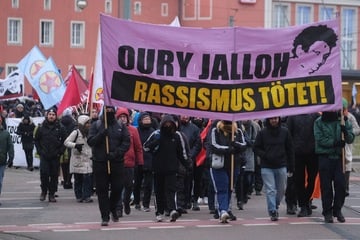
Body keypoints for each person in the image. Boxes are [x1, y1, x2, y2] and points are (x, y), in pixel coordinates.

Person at [87, 106, 130, 226]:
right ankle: (104, 215)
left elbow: (126, 142)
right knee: (102, 190)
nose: (109, 112)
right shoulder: (96, 125)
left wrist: (116, 153)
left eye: (111, 110)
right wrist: (101, 134)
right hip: (100, 162)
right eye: (107, 110)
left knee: (118, 188)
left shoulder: (121, 126)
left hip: (116, 162)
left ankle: (112, 208)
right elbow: (90, 141)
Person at [143, 114, 192, 222]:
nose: (168, 126)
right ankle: (159, 212)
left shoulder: (177, 136)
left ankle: (172, 210)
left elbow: (181, 153)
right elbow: (146, 147)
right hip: (158, 168)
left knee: (171, 190)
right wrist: (156, 142)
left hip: (172, 168)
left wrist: (188, 164)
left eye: (170, 124)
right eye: (166, 124)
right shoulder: (156, 134)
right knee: (159, 191)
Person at [314, 103, 355, 223]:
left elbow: (351, 138)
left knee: (341, 186)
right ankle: (327, 212)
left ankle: (337, 210)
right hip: (325, 158)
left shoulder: (342, 120)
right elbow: (320, 139)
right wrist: (335, 143)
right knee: (326, 187)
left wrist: (346, 132)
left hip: (338, 159)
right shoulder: (319, 122)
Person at [253, 116, 295, 221]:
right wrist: (265, 155)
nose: (274, 120)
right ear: (268, 120)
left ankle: (275, 204)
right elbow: (256, 147)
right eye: (271, 119)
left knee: (281, 189)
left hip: (281, 165)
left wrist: (291, 166)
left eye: (275, 118)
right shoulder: (262, 133)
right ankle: (272, 210)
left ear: (279, 119)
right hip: (267, 166)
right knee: (270, 189)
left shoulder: (285, 132)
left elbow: (290, 149)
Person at [208, 120, 247, 223]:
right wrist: (229, 149)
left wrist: (236, 145)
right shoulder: (215, 130)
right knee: (222, 188)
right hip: (220, 164)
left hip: (234, 164)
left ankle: (226, 209)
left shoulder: (238, 131)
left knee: (230, 188)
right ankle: (223, 210)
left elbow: (244, 145)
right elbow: (214, 145)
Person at [286, 113, 320, 217]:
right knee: (298, 181)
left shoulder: (315, 116)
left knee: (312, 180)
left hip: (313, 153)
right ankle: (303, 205)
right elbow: (289, 135)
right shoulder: (292, 116)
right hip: (297, 154)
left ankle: (306, 201)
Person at [115, 107, 144, 217]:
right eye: (120, 117)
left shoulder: (133, 130)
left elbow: (138, 147)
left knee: (128, 186)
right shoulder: (113, 130)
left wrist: (140, 161)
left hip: (130, 163)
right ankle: (119, 207)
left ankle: (126, 202)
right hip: (117, 162)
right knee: (117, 186)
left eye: (124, 117)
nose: (122, 119)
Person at [34, 108, 67, 202]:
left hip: (55, 156)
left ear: (56, 116)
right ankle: (43, 192)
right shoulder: (41, 127)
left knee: (53, 176)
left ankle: (52, 194)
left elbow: (65, 141)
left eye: (53, 114)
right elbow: (36, 140)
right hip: (44, 156)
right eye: (50, 114)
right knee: (44, 174)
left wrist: (60, 152)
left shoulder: (60, 127)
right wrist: (40, 151)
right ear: (47, 116)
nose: (51, 116)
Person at [64, 114, 93, 203]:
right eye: (87, 123)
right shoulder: (76, 132)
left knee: (87, 179)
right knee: (78, 179)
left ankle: (87, 195)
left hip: (88, 159)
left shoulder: (90, 132)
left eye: (89, 123)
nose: (89, 125)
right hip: (78, 159)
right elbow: (66, 142)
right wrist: (75, 145)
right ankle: (79, 196)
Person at [133, 112, 156, 212]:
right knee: (137, 183)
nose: (147, 121)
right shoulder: (136, 131)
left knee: (148, 184)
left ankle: (146, 204)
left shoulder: (153, 131)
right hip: (138, 160)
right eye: (145, 119)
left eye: (148, 119)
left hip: (150, 160)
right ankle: (137, 201)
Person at [178, 115, 202, 211]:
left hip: (189, 159)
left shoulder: (194, 129)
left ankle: (187, 201)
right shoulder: (176, 127)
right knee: (179, 182)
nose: (185, 117)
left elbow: (198, 144)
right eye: (183, 115)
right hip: (177, 159)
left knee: (188, 181)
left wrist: (190, 155)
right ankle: (180, 203)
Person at [343, 101, 360, 197]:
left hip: (347, 145)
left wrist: (349, 133)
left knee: (347, 165)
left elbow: (357, 129)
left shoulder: (350, 117)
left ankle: (346, 187)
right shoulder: (332, 116)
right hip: (336, 146)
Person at [60, 108, 77, 189]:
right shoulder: (73, 123)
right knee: (70, 164)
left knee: (64, 164)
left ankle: (65, 180)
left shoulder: (60, 122)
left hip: (62, 145)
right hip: (71, 145)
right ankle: (68, 181)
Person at [0, 116, 14, 205]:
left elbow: (10, 146)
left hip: (1, 161)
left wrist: (11, 157)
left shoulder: (5, 134)